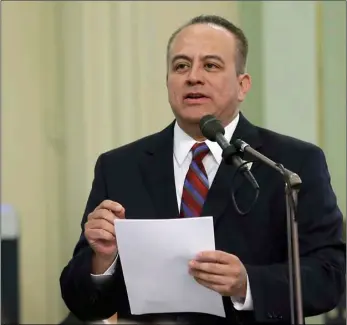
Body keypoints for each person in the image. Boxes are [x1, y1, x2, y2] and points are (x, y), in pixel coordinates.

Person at [59, 15, 346, 324]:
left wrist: (247, 283)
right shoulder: (119, 166)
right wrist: (102, 260)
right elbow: (81, 301)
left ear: (242, 85)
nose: (193, 77)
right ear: (168, 80)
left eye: (211, 65)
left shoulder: (288, 164)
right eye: (181, 66)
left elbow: (330, 274)